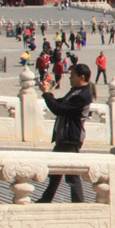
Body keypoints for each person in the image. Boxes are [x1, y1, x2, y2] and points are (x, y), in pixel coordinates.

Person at [36, 63, 94, 203]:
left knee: (71, 173)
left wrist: (46, 94)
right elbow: (60, 104)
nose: (70, 78)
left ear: (81, 77)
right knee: (56, 171)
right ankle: (46, 199)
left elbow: (59, 109)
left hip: (71, 137)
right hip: (65, 137)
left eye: (72, 75)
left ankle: (78, 203)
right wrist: (49, 94)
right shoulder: (76, 91)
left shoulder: (82, 95)